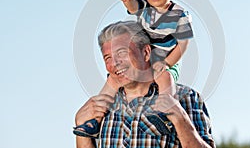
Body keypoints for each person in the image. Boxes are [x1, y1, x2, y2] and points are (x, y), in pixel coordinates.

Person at [73, 0, 194, 138]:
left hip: (167, 57)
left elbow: (183, 44)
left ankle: (167, 113)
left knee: (164, 78)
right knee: (112, 81)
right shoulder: (145, 5)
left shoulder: (180, 15)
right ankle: (94, 120)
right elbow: (134, 6)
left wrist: (167, 63)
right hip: (144, 55)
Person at [74, 21, 215, 148]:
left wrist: (181, 119)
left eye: (122, 53)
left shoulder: (185, 98)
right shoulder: (100, 108)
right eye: (108, 57)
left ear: (146, 52)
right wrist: (82, 131)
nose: (115, 63)